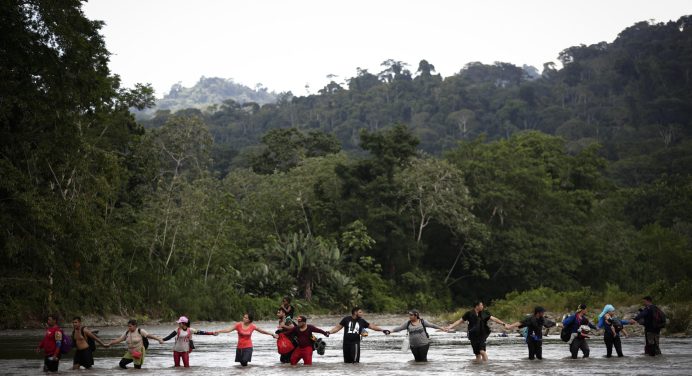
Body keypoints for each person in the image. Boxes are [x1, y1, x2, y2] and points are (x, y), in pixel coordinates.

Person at [444, 301, 510, 361]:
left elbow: (494, 319)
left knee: (482, 351)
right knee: (477, 354)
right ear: (477, 306)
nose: (482, 307)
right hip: (473, 335)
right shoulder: (469, 313)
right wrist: (450, 327)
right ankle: (478, 369)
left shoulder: (485, 313)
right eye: (481, 305)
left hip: (482, 334)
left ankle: (486, 367)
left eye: (482, 305)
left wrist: (504, 324)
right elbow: (460, 321)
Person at [214, 313, 278, 366]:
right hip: (239, 347)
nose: (244, 318)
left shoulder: (252, 326)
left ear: (249, 320)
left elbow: (262, 331)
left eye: (246, 318)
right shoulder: (238, 325)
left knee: (244, 362)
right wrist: (219, 331)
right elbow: (228, 330)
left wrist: (272, 334)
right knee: (242, 364)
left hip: (248, 347)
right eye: (244, 317)